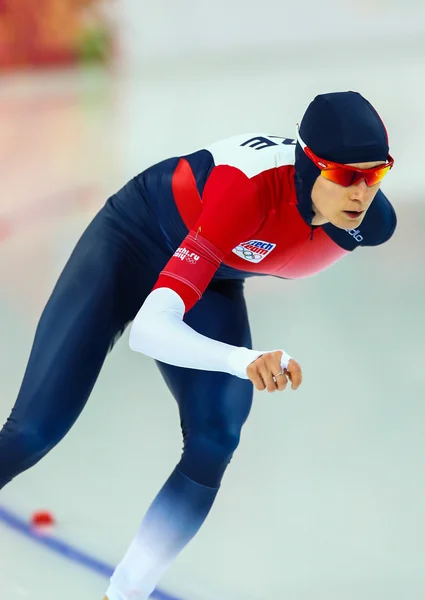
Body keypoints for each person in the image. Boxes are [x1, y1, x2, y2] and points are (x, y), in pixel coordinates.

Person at [0, 91, 396, 600]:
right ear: (308, 163)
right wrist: (245, 360)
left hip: (212, 277)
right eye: (345, 176)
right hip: (133, 241)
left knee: (216, 438)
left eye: (376, 174)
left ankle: (124, 595)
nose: (362, 193)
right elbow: (150, 330)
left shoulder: (371, 225)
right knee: (33, 431)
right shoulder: (246, 192)